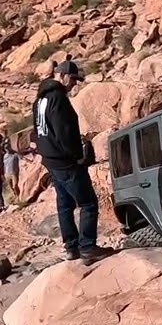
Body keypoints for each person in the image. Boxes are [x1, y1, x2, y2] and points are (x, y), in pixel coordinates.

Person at [31, 57, 114, 263]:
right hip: (65, 161)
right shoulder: (58, 97)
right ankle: (87, 247)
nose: (74, 84)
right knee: (88, 203)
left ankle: (71, 247)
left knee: (65, 204)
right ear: (62, 76)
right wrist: (78, 155)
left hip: (51, 160)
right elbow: (64, 131)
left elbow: (39, 131)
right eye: (73, 79)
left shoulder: (39, 99)